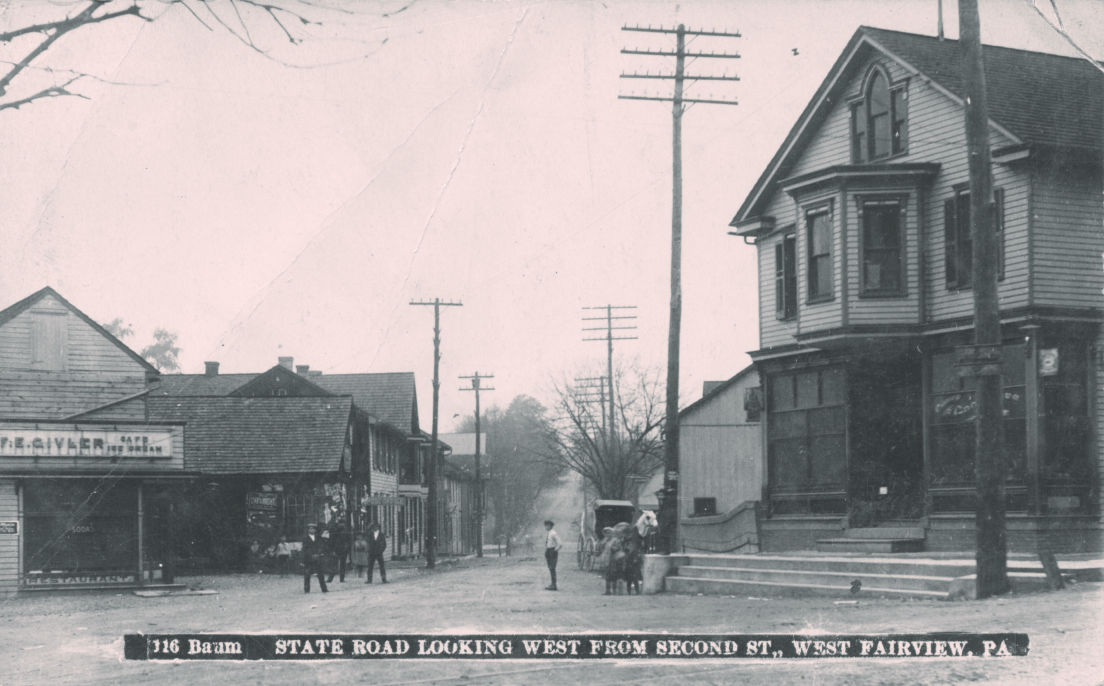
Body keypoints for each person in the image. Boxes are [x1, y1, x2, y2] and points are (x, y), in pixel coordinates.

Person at [301, 523, 328, 593]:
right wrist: (311, 555)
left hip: (318, 558)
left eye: (313, 529)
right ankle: (307, 590)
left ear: (315, 530)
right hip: (309, 559)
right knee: (307, 574)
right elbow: (305, 549)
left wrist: (318, 554)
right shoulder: (305, 538)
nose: (312, 530)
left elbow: (321, 546)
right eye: (310, 529)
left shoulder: (318, 538)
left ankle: (324, 589)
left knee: (321, 574)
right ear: (308, 530)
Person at [543, 519, 561, 591]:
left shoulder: (553, 533)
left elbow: (560, 543)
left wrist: (555, 550)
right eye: (545, 526)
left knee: (552, 568)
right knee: (550, 568)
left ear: (550, 526)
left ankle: (554, 585)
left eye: (547, 526)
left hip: (552, 551)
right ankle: (552, 584)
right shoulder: (550, 533)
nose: (546, 527)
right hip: (548, 550)